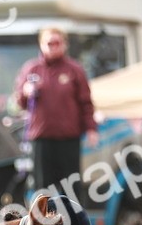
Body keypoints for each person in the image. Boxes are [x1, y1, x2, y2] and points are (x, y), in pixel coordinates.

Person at [12, 27, 99, 198]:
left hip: (68, 139)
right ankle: (43, 224)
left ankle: (73, 224)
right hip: (41, 140)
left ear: (64, 45)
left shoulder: (74, 70)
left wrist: (91, 129)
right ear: (41, 45)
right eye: (49, 43)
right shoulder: (32, 69)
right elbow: (19, 102)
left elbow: (86, 103)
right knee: (42, 190)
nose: (53, 47)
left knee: (71, 189)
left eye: (57, 43)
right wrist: (25, 92)